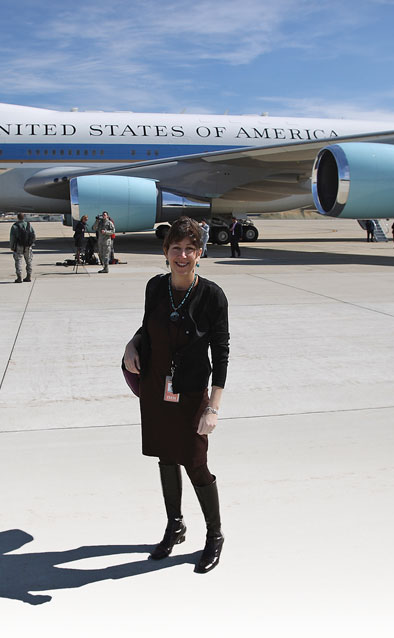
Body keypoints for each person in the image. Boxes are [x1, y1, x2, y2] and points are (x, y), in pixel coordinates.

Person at [123, 217, 229, 574]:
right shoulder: (155, 287)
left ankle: (214, 535)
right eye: (175, 248)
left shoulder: (212, 295)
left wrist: (212, 407)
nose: (181, 255)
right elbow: (146, 327)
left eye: (189, 249)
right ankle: (175, 525)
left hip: (192, 391)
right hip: (155, 388)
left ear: (199, 253)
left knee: (195, 463)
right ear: (165, 252)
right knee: (166, 458)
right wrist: (131, 344)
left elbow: (221, 354)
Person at [9, 213, 35, 282]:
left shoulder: (15, 226)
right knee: (29, 261)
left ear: (18, 218)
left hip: (19, 246)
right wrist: (31, 243)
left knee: (18, 261)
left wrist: (12, 246)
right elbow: (33, 235)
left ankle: (19, 277)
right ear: (24, 218)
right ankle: (29, 276)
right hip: (28, 246)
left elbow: (12, 238)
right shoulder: (29, 225)